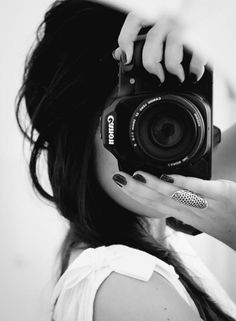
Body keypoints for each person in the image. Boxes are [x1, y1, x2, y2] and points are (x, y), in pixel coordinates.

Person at [15, 0, 236, 320]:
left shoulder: (149, 250)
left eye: (179, 112)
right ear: (78, 137)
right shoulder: (125, 283)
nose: (167, 136)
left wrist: (210, 24)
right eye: (142, 116)